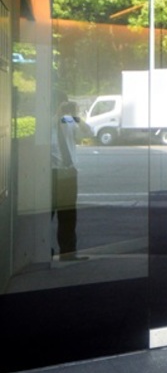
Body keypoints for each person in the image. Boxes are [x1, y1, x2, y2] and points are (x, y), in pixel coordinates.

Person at [51, 99, 91, 261]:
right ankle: (40, 250)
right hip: (50, 173)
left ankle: (68, 252)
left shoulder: (67, 120)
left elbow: (89, 132)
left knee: (68, 214)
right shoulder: (46, 122)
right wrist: (58, 114)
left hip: (68, 172)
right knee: (46, 214)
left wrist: (75, 116)